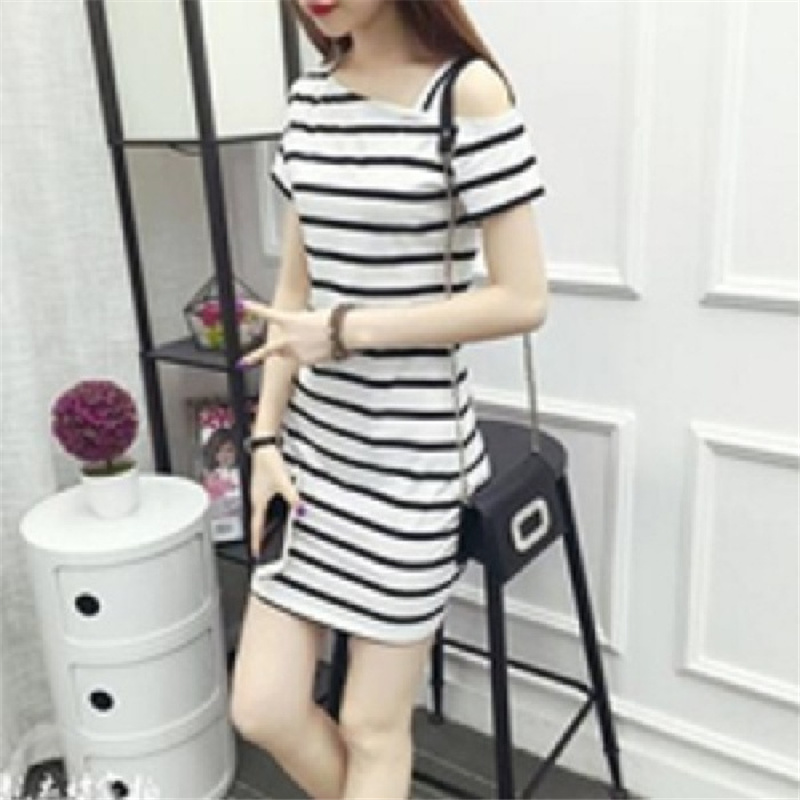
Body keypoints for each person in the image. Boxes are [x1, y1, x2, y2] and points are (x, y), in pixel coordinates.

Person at [228, 1, 548, 797]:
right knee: (263, 707)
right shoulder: (309, 100)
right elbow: (292, 293)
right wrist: (264, 442)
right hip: (312, 456)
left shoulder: (466, 94)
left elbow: (523, 297)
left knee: (372, 727)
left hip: (413, 468)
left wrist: (347, 331)